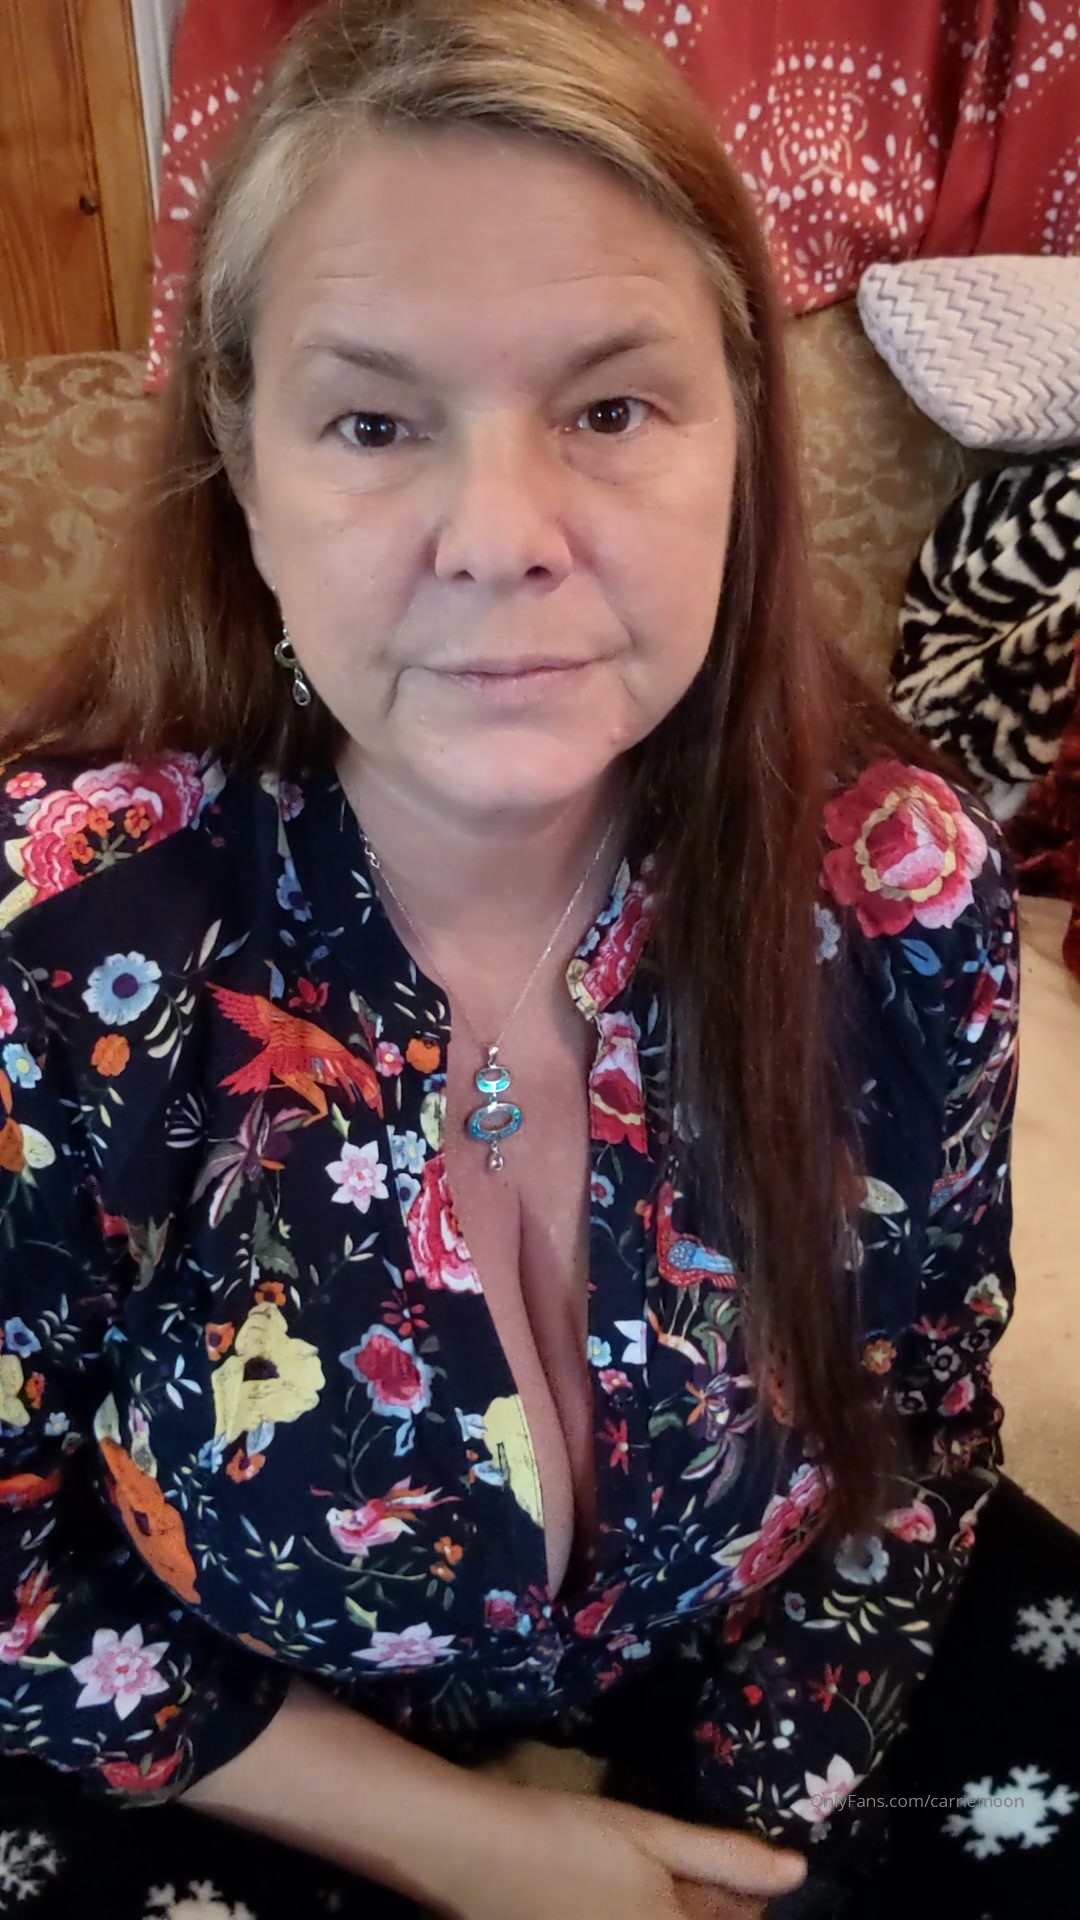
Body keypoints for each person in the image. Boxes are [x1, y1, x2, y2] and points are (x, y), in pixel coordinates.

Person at [0, 2, 1067, 1917]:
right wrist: (487, 1854)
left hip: (766, 1681)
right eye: (375, 422)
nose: (500, 539)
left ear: (744, 436)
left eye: (610, 409)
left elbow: (919, 1417)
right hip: (231, 1751)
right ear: (243, 466)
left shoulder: (903, 896)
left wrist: (731, 1847)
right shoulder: (60, 946)